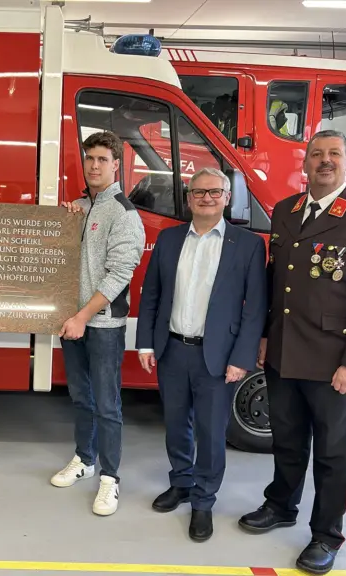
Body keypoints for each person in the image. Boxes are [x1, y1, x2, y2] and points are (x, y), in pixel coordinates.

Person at [238, 130, 346, 575]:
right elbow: (278, 283)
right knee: (287, 442)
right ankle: (281, 505)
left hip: (335, 362)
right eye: (316, 155)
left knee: (333, 454)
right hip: (285, 353)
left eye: (333, 154)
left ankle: (327, 534)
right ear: (304, 164)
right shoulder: (287, 211)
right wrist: (268, 337)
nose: (324, 161)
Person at [135, 167, 267, 541]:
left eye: (214, 192)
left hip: (219, 357)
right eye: (198, 192)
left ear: (227, 197)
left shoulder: (247, 245)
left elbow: (254, 308)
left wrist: (241, 358)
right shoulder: (169, 238)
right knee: (176, 425)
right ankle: (180, 482)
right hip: (173, 349)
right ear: (189, 198)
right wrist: (146, 342)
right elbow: (152, 295)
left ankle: (203, 501)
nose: (206, 198)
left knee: (211, 433)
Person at [50, 131, 145, 517]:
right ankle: (84, 459)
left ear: (116, 165)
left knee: (107, 404)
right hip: (72, 324)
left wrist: (83, 316)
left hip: (101, 325)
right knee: (80, 397)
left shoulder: (123, 213)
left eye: (103, 159)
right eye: (90, 159)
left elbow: (119, 273)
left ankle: (110, 477)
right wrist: (63, 223)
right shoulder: (77, 206)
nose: (94, 166)